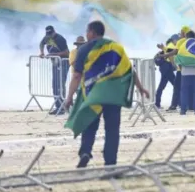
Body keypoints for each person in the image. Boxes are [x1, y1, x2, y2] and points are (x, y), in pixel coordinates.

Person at [64, 21, 149, 168]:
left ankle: (85, 151)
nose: (86, 34)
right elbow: (128, 69)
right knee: (112, 129)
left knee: (89, 124)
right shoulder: (116, 47)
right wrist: (140, 87)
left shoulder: (83, 50)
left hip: (93, 95)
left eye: (87, 31)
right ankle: (110, 161)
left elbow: (77, 76)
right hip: (113, 95)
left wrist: (69, 96)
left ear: (92, 32)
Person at [158, 26, 192, 111]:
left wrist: (164, 54)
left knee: (176, 86)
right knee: (182, 86)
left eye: (181, 33)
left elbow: (171, 54)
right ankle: (184, 104)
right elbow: (171, 54)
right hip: (176, 68)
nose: (179, 36)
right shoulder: (190, 42)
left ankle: (176, 104)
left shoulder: (178, 43)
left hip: (174, 68)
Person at [39, 25, 70, 115]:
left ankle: (63, 107)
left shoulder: (60, 39)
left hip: (63, 63)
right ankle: (58, 106)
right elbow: (41, 43)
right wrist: (42, 52)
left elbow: (66, 52)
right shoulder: (46, 38)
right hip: (55, 63)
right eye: (48, 34)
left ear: (54, 31)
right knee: (55, 84)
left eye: (51, 34)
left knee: (60, 84)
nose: (49, 36)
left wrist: (54, 54)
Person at [154, 34, 178, 109]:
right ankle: (177, 103)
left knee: (163, 85)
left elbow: (167, 51)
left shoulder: (169, 45)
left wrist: (162, 47)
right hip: (167, 67)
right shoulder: (172, 45)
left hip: (165, 67)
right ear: (174, 40)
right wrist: (174, 65)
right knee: (176, 85)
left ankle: (157, 103)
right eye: (177, 40)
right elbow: (170, 55)